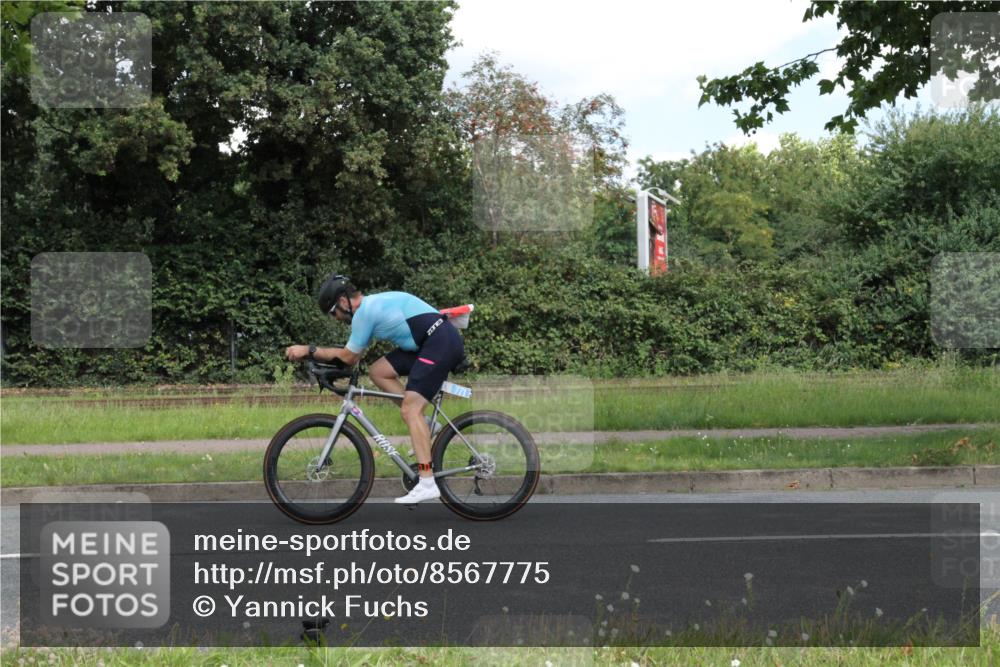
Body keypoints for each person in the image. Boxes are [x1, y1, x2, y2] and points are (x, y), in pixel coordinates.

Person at [285, 273, 465, 504]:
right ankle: (427, 424)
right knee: (379, 371)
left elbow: (348, 357)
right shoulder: (371, 307)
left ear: (342, 301)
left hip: (439, 342)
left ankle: (427, 482)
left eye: (333, 313)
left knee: (411, 410)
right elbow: (353, 357)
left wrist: (308, 350)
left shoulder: (365, 313)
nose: (335, 318)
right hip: (430, 342)